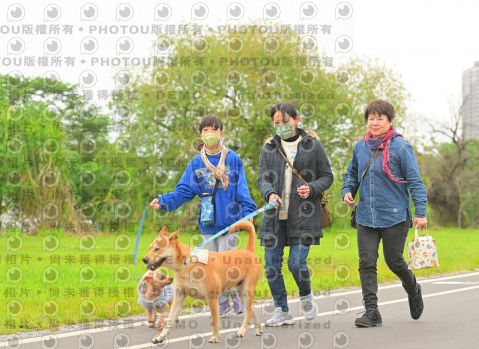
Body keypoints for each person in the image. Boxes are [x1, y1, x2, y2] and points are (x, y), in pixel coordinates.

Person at [149, 115, 256, 315]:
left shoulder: (233, 159)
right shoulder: (197, 162)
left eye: (214, 130)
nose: (210, 134)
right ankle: (221, 302)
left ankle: (235, 296)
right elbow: (183, 191)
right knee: (210, 266)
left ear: (221, 133)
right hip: (208, 222)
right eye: (205, 130)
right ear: (200, 134)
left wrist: (248, 211)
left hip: (230, 222)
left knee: (227, 263)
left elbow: (242, 189)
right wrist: (163, 201)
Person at [341, 99, 427, 327]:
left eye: (380, 118)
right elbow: (351, 175)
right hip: (366, 216)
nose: (375, 122)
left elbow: (415, 182)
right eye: (371, 118)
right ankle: (372, 312)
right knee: (366, 262)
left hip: (394, 216)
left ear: (390, 121)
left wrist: (421, 212)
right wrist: (347, 191)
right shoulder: (360, 147)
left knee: (394, 261)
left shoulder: (401, 147)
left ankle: (413, 289)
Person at [257, 102, 334, 326]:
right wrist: (270, 194)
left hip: (304, 214)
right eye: (276, 122)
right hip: (274, 217)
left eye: (285, 121)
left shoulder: (313, 145)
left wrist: (312, 188)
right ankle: (282, 310)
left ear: (296, 120)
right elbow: (262, 178)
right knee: (271, 266)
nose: (280, 126)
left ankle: (306, 296)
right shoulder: (269, 147)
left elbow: (327, 176)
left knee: (296, 263)